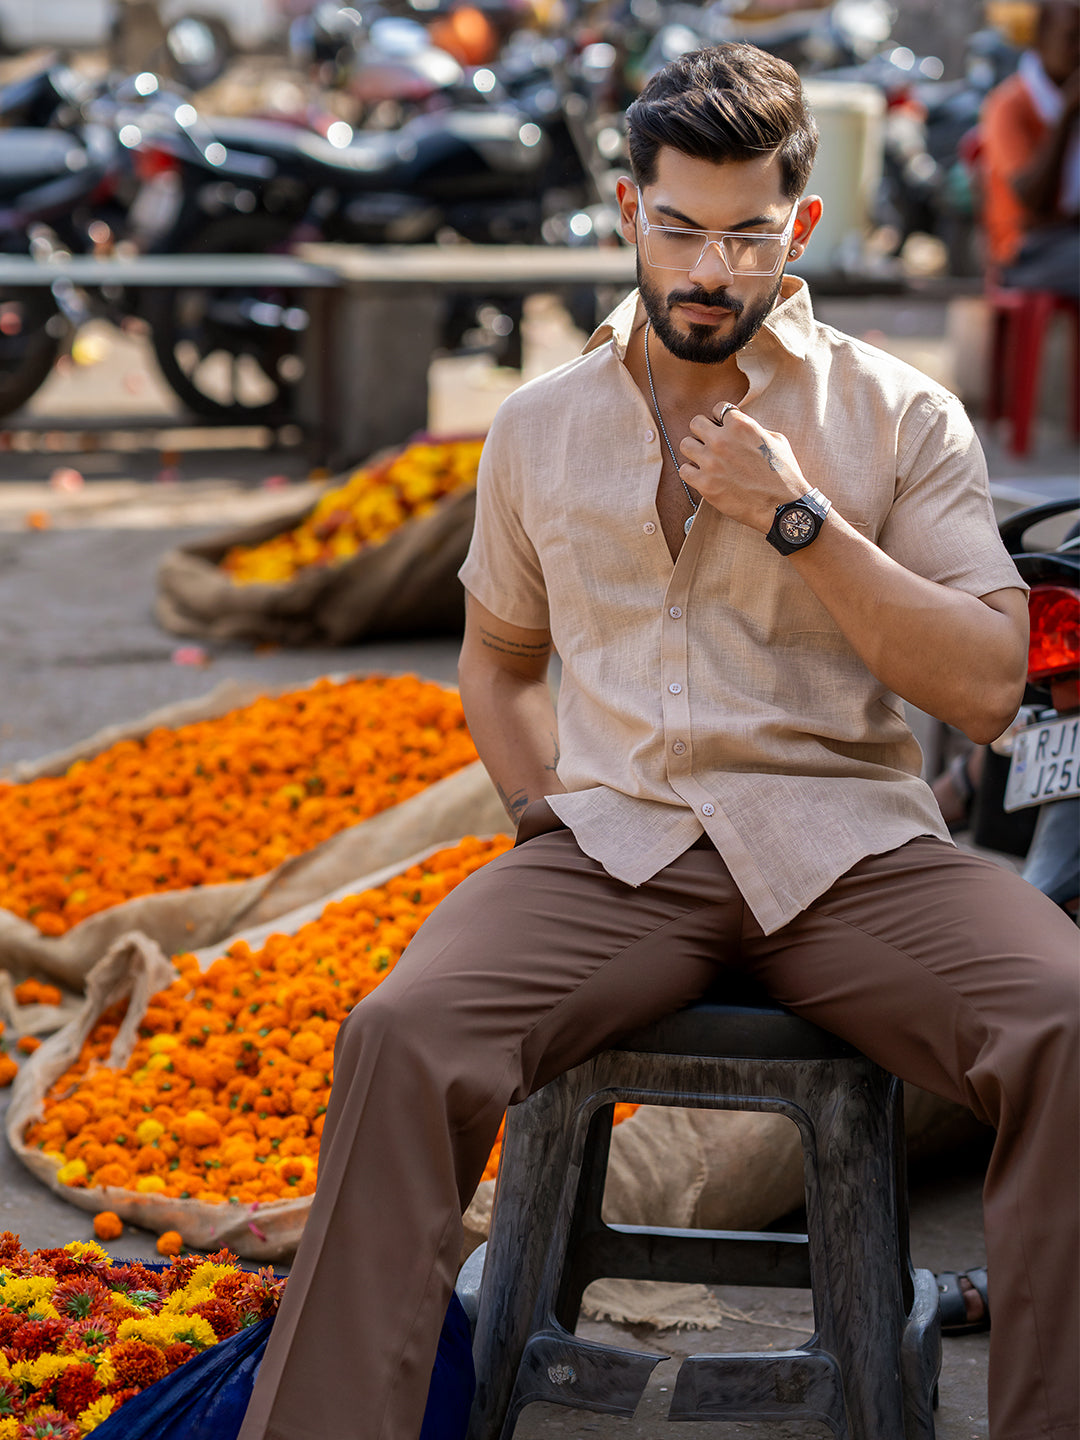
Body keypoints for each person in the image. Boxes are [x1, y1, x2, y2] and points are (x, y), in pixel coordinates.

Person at [239, 43, 1079, 1440]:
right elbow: (499, 664)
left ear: (798, 229)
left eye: (745, 235)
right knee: (402, 1034)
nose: (708, 267)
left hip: (852, 851)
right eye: (679, 227)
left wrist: (800, 518)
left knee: (1066, 1017)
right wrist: (540, 821)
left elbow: (991, 685)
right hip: (615, 853)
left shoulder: (897, 415)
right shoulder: (539, 429)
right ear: (629, 211)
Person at [979, 0, 1080, 296]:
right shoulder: (1010, 105)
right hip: (1024, 253)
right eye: (1073, 37)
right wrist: (1067, 116)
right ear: (1039, 39)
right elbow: (1032, 201)